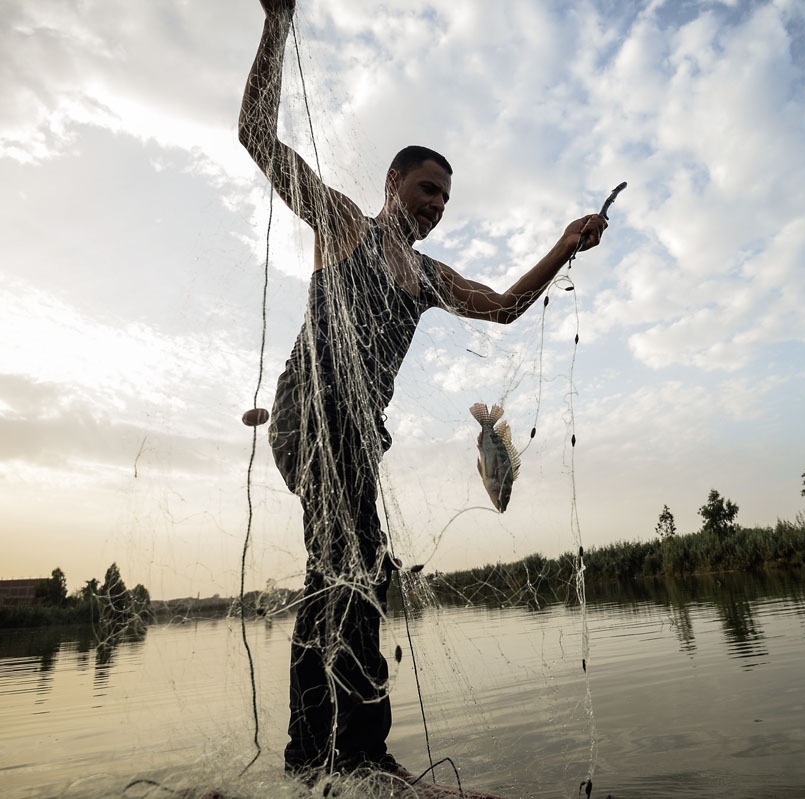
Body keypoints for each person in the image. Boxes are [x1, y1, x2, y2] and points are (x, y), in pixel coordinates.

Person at [239, 0, 608, 785]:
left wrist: (566, 245)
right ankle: (345, 753)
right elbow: (255, 138)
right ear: (392, 184)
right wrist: (276, 24)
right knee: (355, 565)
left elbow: (506, 306)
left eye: (445, 200)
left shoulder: (430, 278)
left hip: (356, 433)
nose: (436, 207)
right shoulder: (343, 225)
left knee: (352, 572)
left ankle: (325, 757)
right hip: (311, 416)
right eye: (426, 189)